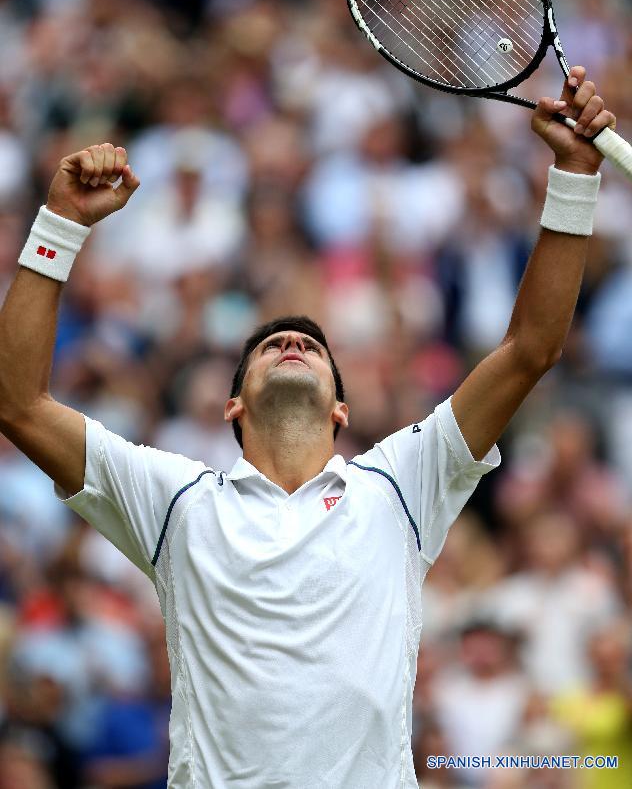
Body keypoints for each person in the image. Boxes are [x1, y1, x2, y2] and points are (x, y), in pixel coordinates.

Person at [0, 66, 616, 788]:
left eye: (311, 347)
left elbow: (530, 351)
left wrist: (575, 174)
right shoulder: (175, 498)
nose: (292, 342)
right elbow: (18, 403)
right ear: (233, 406)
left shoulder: (399, 483)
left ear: (341, 412)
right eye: (270, 346)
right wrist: (59, 226)